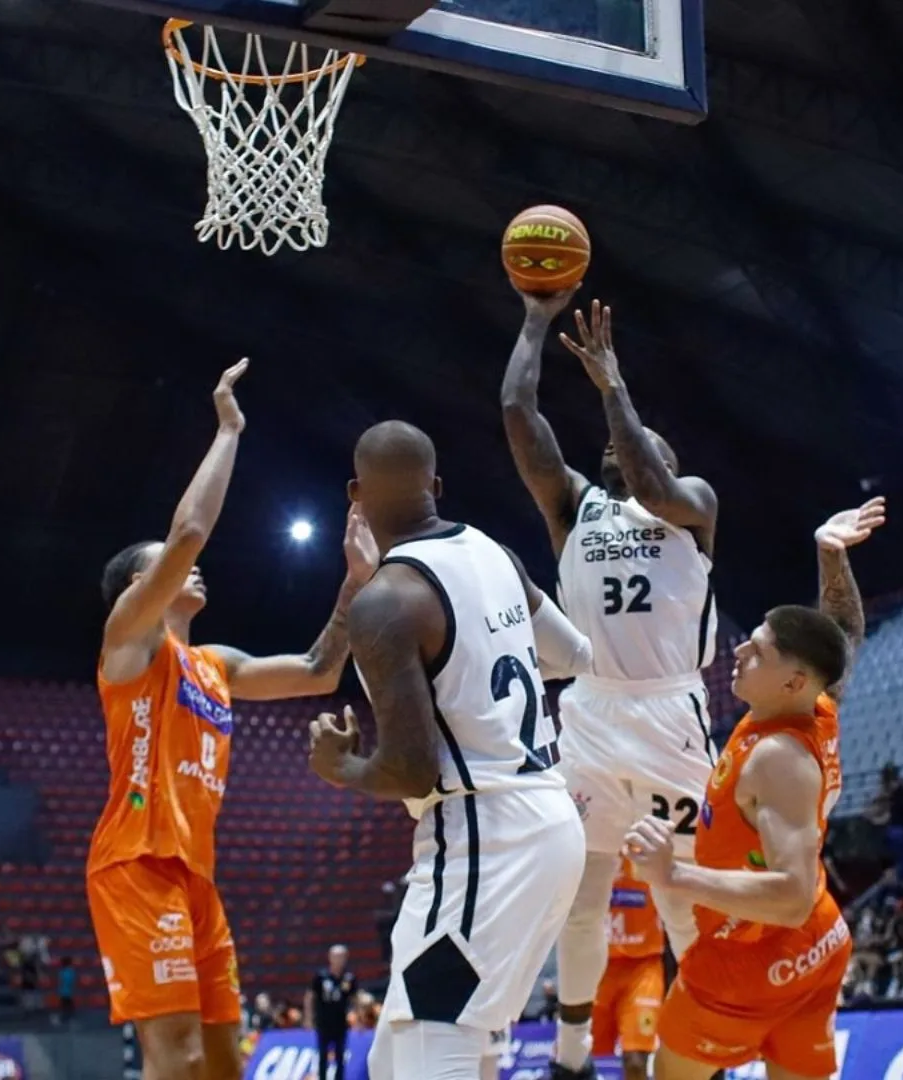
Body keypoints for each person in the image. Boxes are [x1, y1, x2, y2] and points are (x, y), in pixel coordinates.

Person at [88, 360, 378, 1080]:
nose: (192, 570)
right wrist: (228, 429)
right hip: (137, 865)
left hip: (196, 878)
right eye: (167, 569)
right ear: (138, 586)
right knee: (177, 1061)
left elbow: (320, 671)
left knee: (223, 1064)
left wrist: (353, 582)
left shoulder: (214, 663)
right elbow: (187, 531)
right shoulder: (129, 641)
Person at [307, 420, 592, 1080]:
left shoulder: (386, 601)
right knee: (397, 1056)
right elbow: (573, 654)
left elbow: (411, 769)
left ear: (355, 494)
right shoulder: (495, 553)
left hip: (484, 836)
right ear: (436, 486)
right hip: (548, 819)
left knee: (438, 1043)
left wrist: (340, 767)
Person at [502, 288, 723, 1078]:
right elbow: (519, 418)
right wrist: (534, 320)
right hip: (591, 715)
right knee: (582, 889)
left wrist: (612, 387)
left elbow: (649, 478)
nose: (623, 454)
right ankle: (568, 1061)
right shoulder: (572, 505)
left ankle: (716, 1046)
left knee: (681, 892)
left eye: (639, 447)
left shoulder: (689, 504)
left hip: (669, 714)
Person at [622, 600, 856, 1080]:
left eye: (759, 652)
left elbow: (790, 896)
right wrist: (830, 553)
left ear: (793, 683)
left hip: (748, 959)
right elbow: (843, 635)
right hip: (817, 940)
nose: (740, 649)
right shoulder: (817, 706)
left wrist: (673, 874)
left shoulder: (777, 759)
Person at [592, 859, 664, 1080]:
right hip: (596, 966)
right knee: (581, 1057)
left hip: (643, 965)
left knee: (635, 1060)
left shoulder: (647, 835)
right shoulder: (590, 835)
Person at [306, 945, 357, 1080]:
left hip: (340, 1022)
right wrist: (309, 1017)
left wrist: (357, 1016)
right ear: (330, 958)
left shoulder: (349, 978)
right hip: (323, 1021)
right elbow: (310, 996)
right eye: (336, 956)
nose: (339, 960)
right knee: (323, 1054)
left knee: (340, 1055)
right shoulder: (321, 976)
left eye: (342, 957)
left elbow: (354, 998)